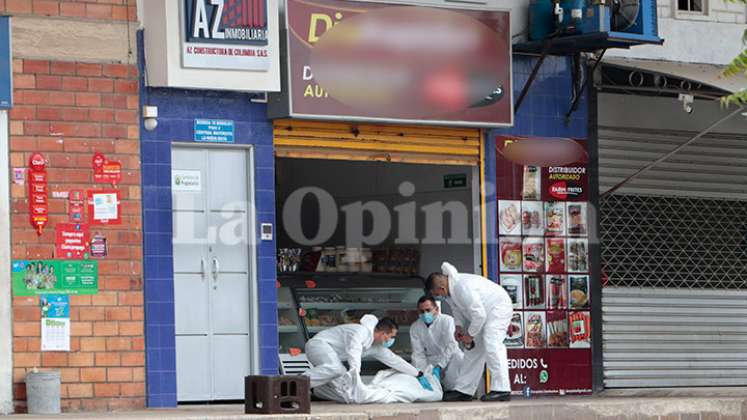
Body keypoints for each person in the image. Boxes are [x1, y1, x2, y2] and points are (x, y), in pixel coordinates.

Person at [426, 262, 513, 402]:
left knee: (492, 343)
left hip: (498, 307)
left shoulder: (461, 287)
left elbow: (479, 315)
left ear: (441, 287)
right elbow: (457, 309)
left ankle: (502, 389)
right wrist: (459, 327)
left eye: (437, 294)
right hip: (483, 313)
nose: (438, 297)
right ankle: (464, 390)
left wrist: (470, 336)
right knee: (473, 350)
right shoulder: (450, 291)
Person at [303, 314, 433, 402]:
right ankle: (294, 385)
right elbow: (354, 350)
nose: (391, 340)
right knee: (336, 369)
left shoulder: (376, 346)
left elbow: (395, 360)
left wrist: (417, 374)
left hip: (332, 354)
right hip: (319, 345)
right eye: (391, 336)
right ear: (383, 334)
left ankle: (317, 390)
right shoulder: (360, 331)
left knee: (346, 393)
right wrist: (355, 371)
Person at [409, 295, 463, 392]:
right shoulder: (415, 327)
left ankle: (453, 390)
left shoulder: (447, 321)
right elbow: (418, 354)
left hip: (449, 358)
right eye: (422, 311)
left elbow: (452, 345)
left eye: (428, 310)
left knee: (458, 357)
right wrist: (421, 374)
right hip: (430, 360)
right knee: (427, 387)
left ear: (436, 309)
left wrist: (440, 366)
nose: (425, 314)